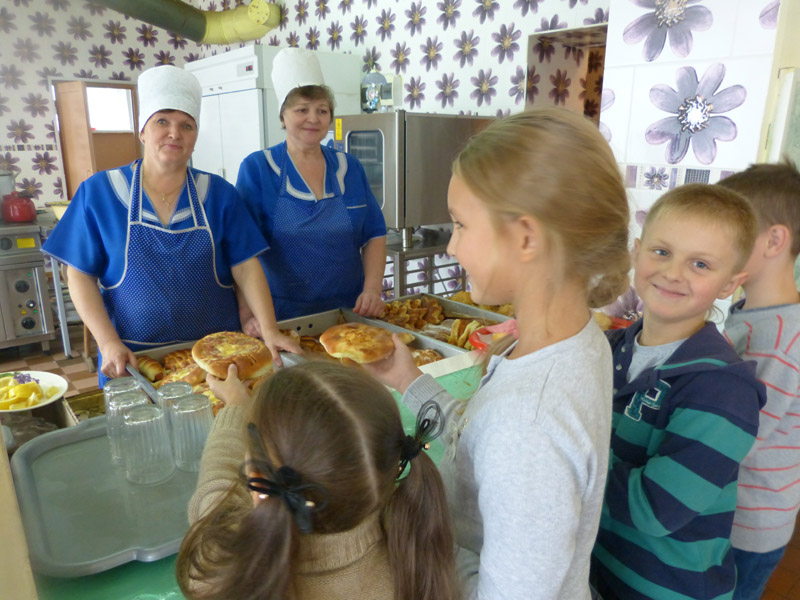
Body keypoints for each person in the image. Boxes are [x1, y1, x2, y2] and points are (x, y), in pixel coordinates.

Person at [366, 107, 632, 599]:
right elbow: (479, 440)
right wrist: (409, 381)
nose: (451, 247)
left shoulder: (530, 423)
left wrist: (417, 535)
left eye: (461, 225)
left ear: (526, 237)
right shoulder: (572, 340)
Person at [42, 65, 299, 387]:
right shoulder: (100, 192)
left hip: (220, 356)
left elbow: (246, 267)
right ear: (143, 131)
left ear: (195, 137)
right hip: (133, 358)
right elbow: (79, 275)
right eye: (162, 121)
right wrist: (107, 343)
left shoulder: (219, 194)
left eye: (186, 125)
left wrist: (269, 328)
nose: (175, 133)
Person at [590, 184, 768, 600]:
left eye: (700, 264)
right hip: (601, 572)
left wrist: (562, 461)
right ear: (636, 252)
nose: (673, 273)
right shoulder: (607, 349)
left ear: (730, 284)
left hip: (671, 591)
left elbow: (654, 510)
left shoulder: (723, 390)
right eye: (662, 252)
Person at [175, 360, 457, 600]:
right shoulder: (419, 558)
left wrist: (235, 405)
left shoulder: (219, 571)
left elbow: (215, 495)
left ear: (258, 479)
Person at [236, 48, 387, 324]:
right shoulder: (258, 169)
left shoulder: (349, 167)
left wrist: (372, 290)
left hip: (350, 314)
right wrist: (249, 315)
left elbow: (375, 233)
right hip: (281, 317)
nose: (313, 118)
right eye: (302, 109)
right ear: (283, 116)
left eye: (322, 110)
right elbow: (243, 251)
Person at [716, 162, 800, 600]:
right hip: (735, 511)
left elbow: (743, 437)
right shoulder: (755, 315)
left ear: (773, 240)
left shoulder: (780, 339)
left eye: (732, 233)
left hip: (748, 523)